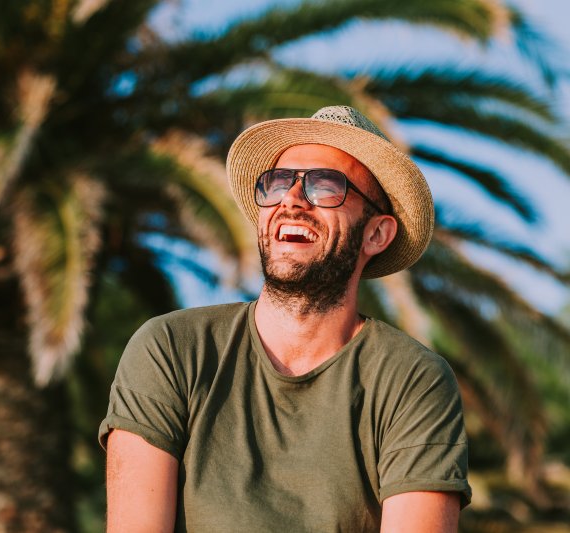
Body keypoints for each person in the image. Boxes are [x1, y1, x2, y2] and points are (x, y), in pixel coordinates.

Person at [98, 106, 471, 532]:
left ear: (376, 234)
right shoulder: (172, 350)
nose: (291, 200)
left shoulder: (411, 380)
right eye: (276, 183)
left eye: (325, 186)